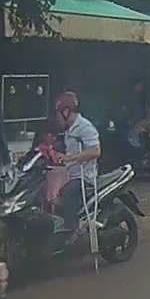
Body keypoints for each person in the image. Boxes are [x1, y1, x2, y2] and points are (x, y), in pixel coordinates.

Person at [52, 91, 101, 240]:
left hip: (85, 177)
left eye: (58, 114)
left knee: (67, 193)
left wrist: (70, 158)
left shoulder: (84, 127)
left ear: (66, 112)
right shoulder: (70, 129)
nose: (57, 118)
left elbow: (95, 151)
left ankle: (73, 231)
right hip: (72, 175)